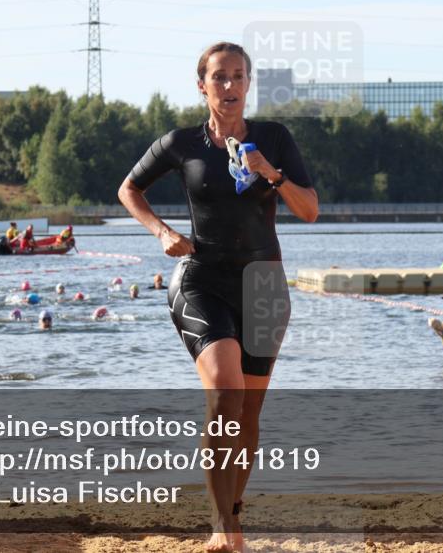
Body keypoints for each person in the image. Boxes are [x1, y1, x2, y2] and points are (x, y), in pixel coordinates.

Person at [117, 41, 318, 553]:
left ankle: (232, 517)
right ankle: (220, 527)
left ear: (249, 84)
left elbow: (310, 210)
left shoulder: (274, 138)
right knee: (226, 393)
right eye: (219, 78)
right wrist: (161, 232)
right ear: (201, 84)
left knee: (247, 414)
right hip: (202, 280)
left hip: (264, 285)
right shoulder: (181, 143)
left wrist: (270, 170)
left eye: (238, 77)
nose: (229, 87)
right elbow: (129, 190)